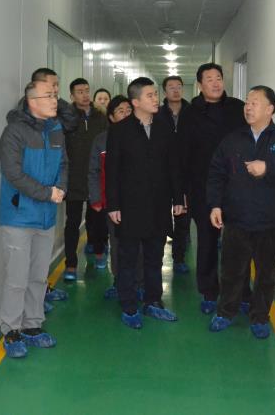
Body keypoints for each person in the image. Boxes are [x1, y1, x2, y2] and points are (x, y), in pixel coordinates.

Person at [206, 86, 275, 339]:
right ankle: (226, 311)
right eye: (247, 103)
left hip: (269, 222)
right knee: (232, 270)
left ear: (270, 109)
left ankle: (260, 316)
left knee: (266, 273)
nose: (248, 107)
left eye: (254, 103)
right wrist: (215, 205)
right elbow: (216, 173)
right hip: (236, 220)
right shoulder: (233, 140)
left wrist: (269, 167)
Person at [106, 77, 185, 329]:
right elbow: (112, 170)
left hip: (159, 205)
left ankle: (153, 301)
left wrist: (178, 198)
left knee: (155, 257)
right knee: (128, 258)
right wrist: (113, 204)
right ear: (136, 101)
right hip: (129, 206)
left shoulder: (164, 128)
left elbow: (174, 166)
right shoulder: (120, 130)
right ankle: (129, 306)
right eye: (150, 95)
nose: (156, 99)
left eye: (155, 94)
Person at [0, 80, 67, 358]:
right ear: (32, 101)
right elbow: (13, 174)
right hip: (19, 216)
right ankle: (11, 329)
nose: (54, 100)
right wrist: (47, 193)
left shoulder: (56, 129)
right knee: (17, 278)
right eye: (48, 96)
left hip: (46, 216)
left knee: (38, 276)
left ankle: (32, 325)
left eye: (55, 95)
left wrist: (60, 188)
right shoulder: (14, 132)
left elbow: (64, 164)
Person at [179, 63, 251, 315]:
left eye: (218, 77)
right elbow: (182, 154)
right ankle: (209, 291)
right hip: (203, 188)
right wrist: (182, 191)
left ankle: (242, 292)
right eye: (209, 79)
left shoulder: (237, 108)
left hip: (237, 187)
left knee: (239, 242)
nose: (215, 83)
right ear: (200, 84)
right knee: (207, 241)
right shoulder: (190, 114)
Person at [87, 95, 143, 298]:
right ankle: (120, 281)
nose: (126, 114)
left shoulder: (144, 136)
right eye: (121, 111)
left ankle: (139, 282)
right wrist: (96, 198)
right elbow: (94, 171)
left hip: (139, 202)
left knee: (140, 244)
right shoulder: (101, 140)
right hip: (113, 202)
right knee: (117, 243)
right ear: (111, 117)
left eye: (129, 110)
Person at [63, 78, 108, 281]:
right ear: (72, 96)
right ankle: (71, 264)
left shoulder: (100, 117)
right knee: (72, 223)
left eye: (87, 90)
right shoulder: (67, 118)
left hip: (95, 177)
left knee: (97, 220)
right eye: (80, 92)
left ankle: (99, 252)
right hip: (73, 179)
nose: (85, 95)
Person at [155, 75, 191, 274]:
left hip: (186, 172)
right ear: (165, 91)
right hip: (162, 172)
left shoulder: (192, 113)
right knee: (161, 218)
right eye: (171, 87)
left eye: (179, 86)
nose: (176, 90)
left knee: (183, 218)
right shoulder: (157, 114)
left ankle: (179, 257)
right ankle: (157, 258)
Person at [29, 67, 78, 133]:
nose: (57, 89)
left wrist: (58, 99)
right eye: (53, 85)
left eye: (57, 85)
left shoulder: (55, 102)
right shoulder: (26, 106)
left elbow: (70, 124)